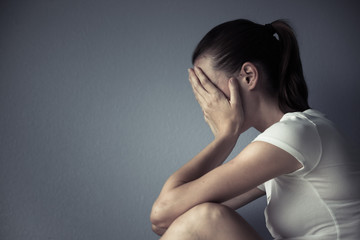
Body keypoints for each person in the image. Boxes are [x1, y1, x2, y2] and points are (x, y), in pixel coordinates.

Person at [150, 19, 360, 240]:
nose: (207, 102)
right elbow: (168, 222)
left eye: (208, 87)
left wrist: (225, 136)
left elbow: (162, 213)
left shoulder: (295, 133)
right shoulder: (282, 147)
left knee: (205, 218)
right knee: (195, 215)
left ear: (248, 76)